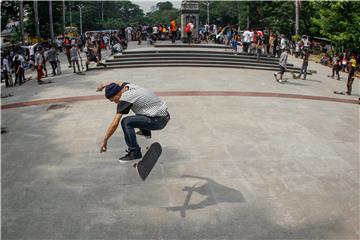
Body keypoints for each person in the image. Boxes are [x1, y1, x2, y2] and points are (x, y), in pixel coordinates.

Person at [97, 81, 170, 161]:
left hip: (158, 121)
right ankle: (146, 132)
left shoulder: (126, 97)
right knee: (139, 109)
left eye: (113, 100)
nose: (115, 102)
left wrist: (105, 140)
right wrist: (104, 85)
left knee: (126, 122)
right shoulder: (128, 86)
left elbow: (115, 123)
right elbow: (118, 82)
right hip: (163, 115)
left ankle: (134, 152)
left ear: (117, 94)